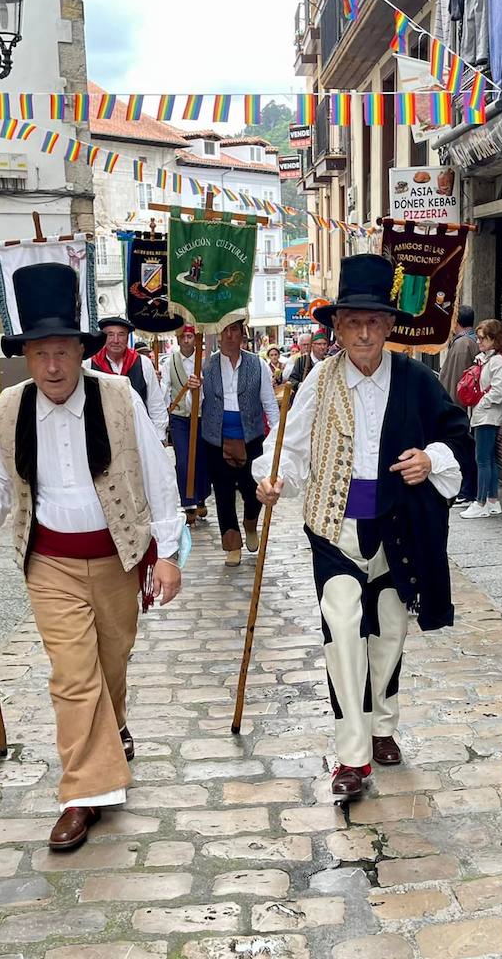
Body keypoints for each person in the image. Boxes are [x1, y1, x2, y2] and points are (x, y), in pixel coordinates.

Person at [0, 263, 182, 850]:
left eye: (61, 352)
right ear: (26, 357)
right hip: (48, 562)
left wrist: (169, 553)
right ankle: (84, 793)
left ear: (80, 352)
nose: (51, 366)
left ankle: (115, 728)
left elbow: (157, 479)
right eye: (39, 354)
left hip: (117, 558)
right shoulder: (11, 408)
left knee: (110, 664)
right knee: (73, 676)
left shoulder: (118, 397)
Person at [255, 255, 474, 796]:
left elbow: (459, 441)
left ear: (390, 326)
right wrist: (271, 478)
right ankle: (351, 756)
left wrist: (432, 460)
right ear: (337, 327)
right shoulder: (316, 383)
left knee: (390, 634)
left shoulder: (419, 382)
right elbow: (287, 448)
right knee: (344, 629)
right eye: (353, 321)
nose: (364, 333)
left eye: (375, 322)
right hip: (335, 528)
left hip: (400, 526)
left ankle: (382, 725)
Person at [197, 317, 280, 566]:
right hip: (216, 438)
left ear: (242, 334)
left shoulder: (257, 364)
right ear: (218, 335)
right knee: (223, 494)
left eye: (234, 330)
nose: (230, 335)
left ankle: (251, 523)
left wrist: (277, 436)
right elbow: (195, 406)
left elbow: (268, 401)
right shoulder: (207, 367)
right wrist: (193, 389)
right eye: (225, 331)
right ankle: (232, 544)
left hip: (251, 436)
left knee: (253, 489)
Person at [460, 319, 502, 519]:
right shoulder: (489, 359)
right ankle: (492, 500)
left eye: (483, 338)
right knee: (488, 458)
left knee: (481, 459)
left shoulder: (498, 361)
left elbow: (497, 392)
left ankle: (480, 502)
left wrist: (479, 405)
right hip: (484, 415)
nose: (479, 341)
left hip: (487, 416)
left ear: (494, 339)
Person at [89, 312, 167, 441]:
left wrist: (159, 437)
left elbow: (155, 402)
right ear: (103, 337)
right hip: (102, 437)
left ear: (127, 338)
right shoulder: (90, 364)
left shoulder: (143, 363)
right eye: (110, 335)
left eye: (121, 335)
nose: (115, 340)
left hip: (138, 434)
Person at [161, 325, 211, 525]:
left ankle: (201, 498)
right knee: (183, 459)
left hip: (201, 416)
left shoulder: (206, 362)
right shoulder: (169, 363)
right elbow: (164, 387)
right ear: (178, 338)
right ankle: (187, 502)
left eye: (190, 336)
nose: (187, 340)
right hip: (180, 416)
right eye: (183, 336)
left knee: (202, 459)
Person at [438, 306, 479, 503]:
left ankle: (467, 490)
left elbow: (457, 378)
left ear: (457, 322)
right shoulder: (467, 342)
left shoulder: (463, 344)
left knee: (465, 451)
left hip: (460, 407)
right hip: (462, 406)